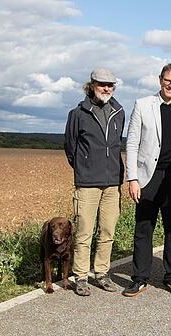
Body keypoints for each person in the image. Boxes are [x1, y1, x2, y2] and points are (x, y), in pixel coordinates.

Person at [122, 64, 171, 297]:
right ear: (160, 80)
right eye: (167, 80)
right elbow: (132, 143)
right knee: (143, 227)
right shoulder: (143, 105)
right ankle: (139, 278)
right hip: (148, 176)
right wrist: (132, 178)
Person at [64, 68, 125, 296]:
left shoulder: (119, 112)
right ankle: (80, 276)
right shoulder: (78, 114)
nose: (106, 88)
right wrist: (84, 167)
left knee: (107, 231)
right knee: (84, 232)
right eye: (102, 84)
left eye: (110, 85)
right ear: (92, 85)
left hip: (112, 183)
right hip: (88, 182)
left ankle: (101, 273)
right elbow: (71, 148)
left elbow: (117, 143)